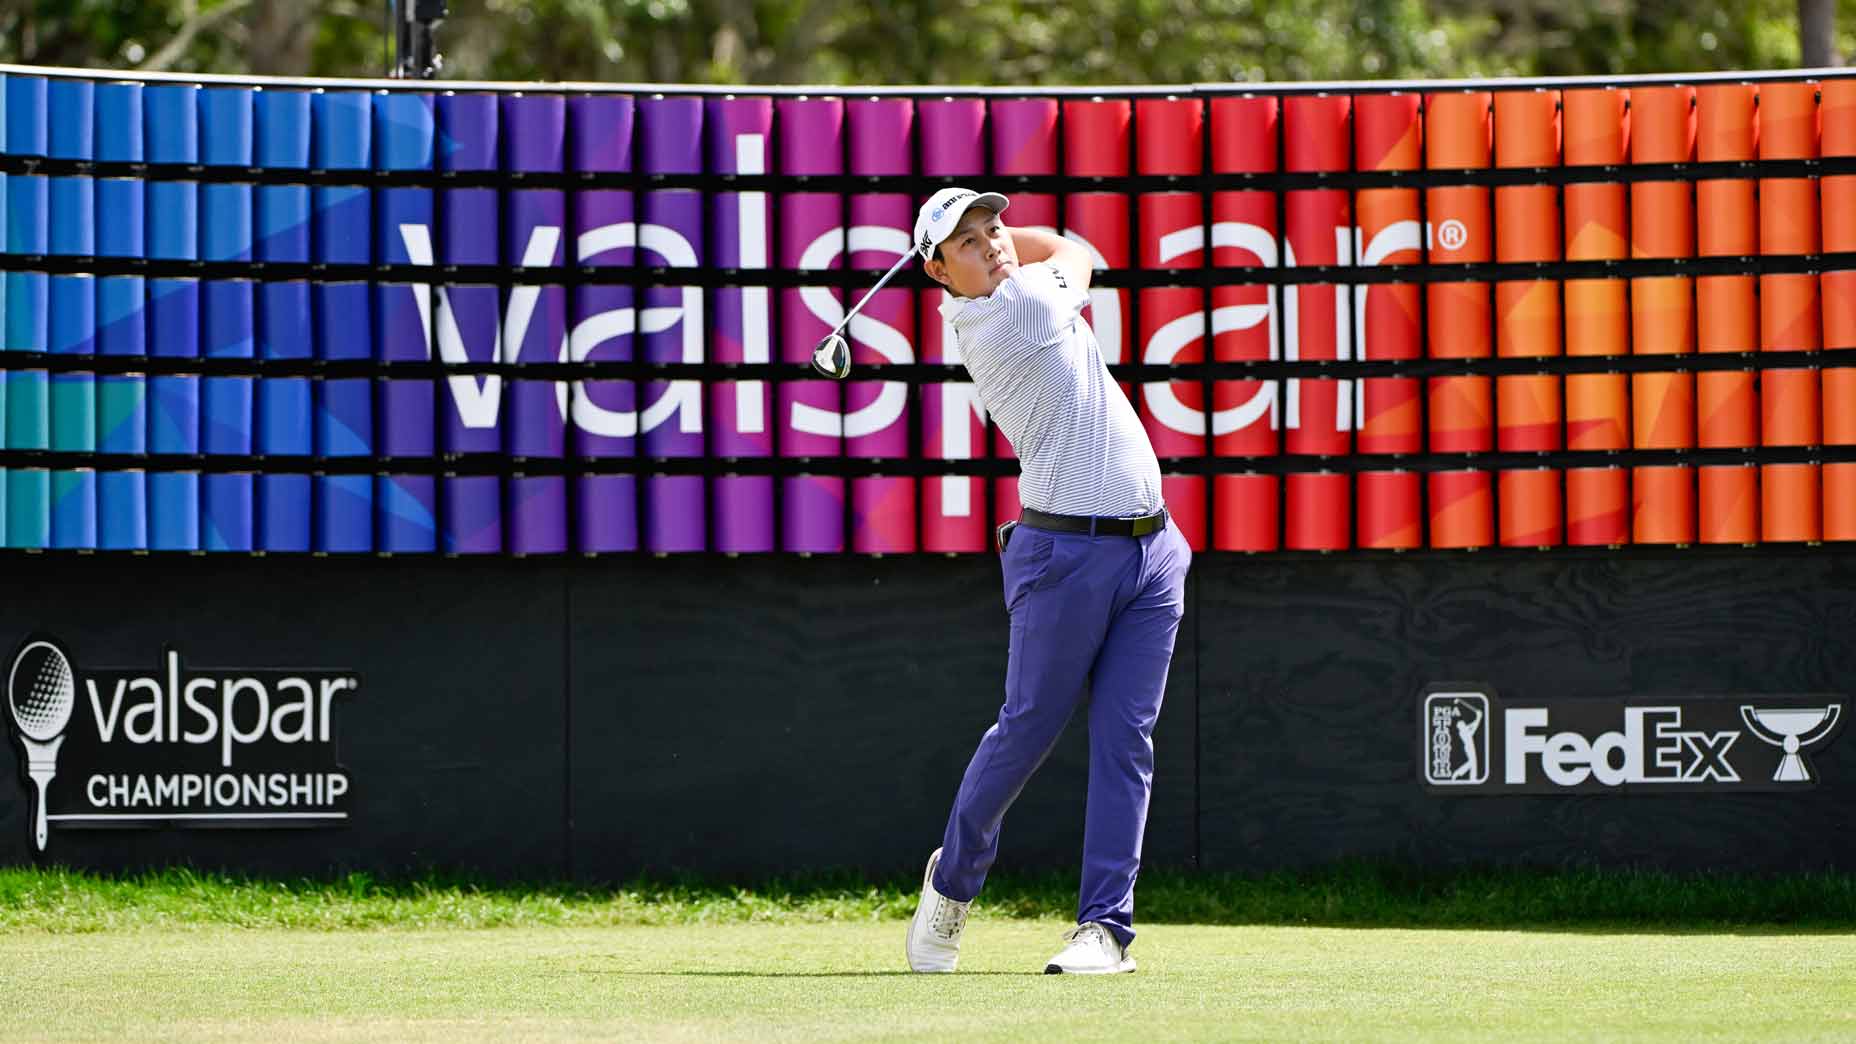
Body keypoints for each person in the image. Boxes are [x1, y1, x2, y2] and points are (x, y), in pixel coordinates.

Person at [901, 187, 1192, 975]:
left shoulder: (997, 289)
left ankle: (1105, 930)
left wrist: (986, 237)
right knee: (1027, 730)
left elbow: (1055, 253)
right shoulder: (1013, 310)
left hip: (1154, 552)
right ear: (937, 272)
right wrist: (1026, 240)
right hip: (1064, 559)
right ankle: (953, 884)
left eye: (994, 228)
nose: (993, 244)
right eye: (968, 242)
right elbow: (1078, 252)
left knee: (1125, 740)